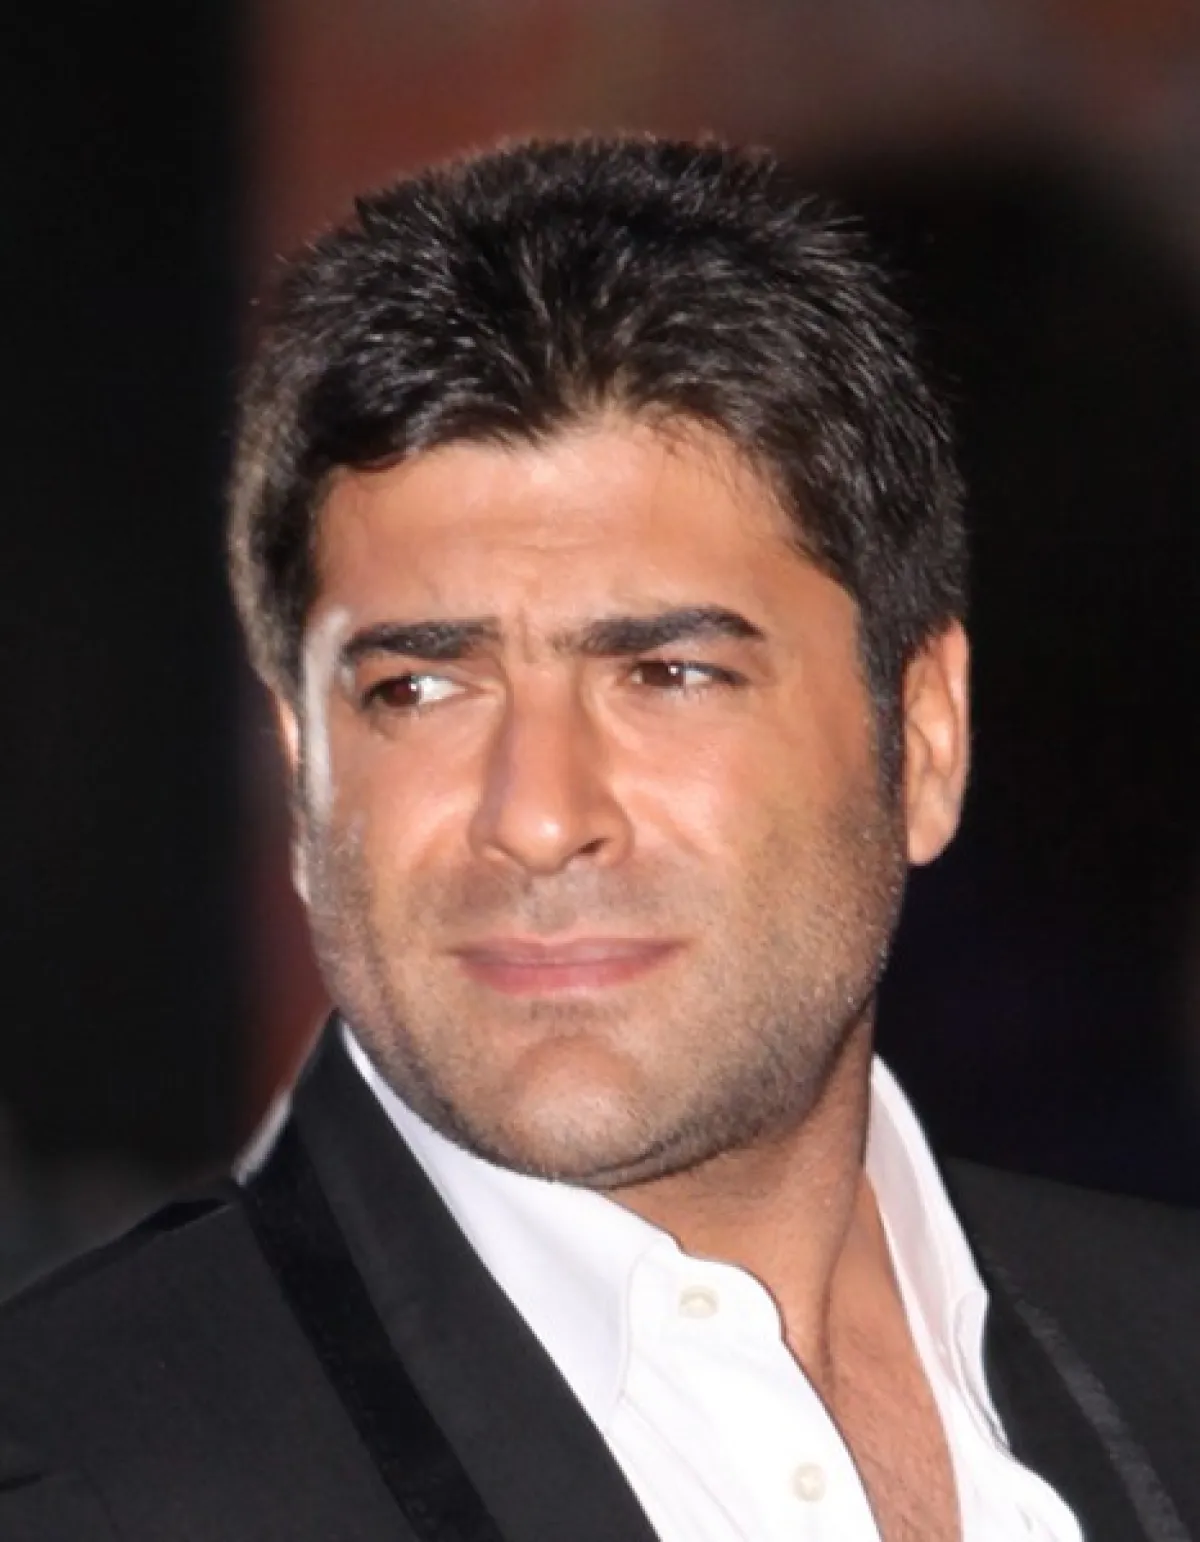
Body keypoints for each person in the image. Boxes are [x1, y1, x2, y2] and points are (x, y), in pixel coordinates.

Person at [1, 135, 1197, 1542]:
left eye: (668, 674)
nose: (539, 815)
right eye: (420, 689)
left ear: (924, 739)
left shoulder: (1165, 1354)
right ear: (306, 774)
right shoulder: (81, 1478)